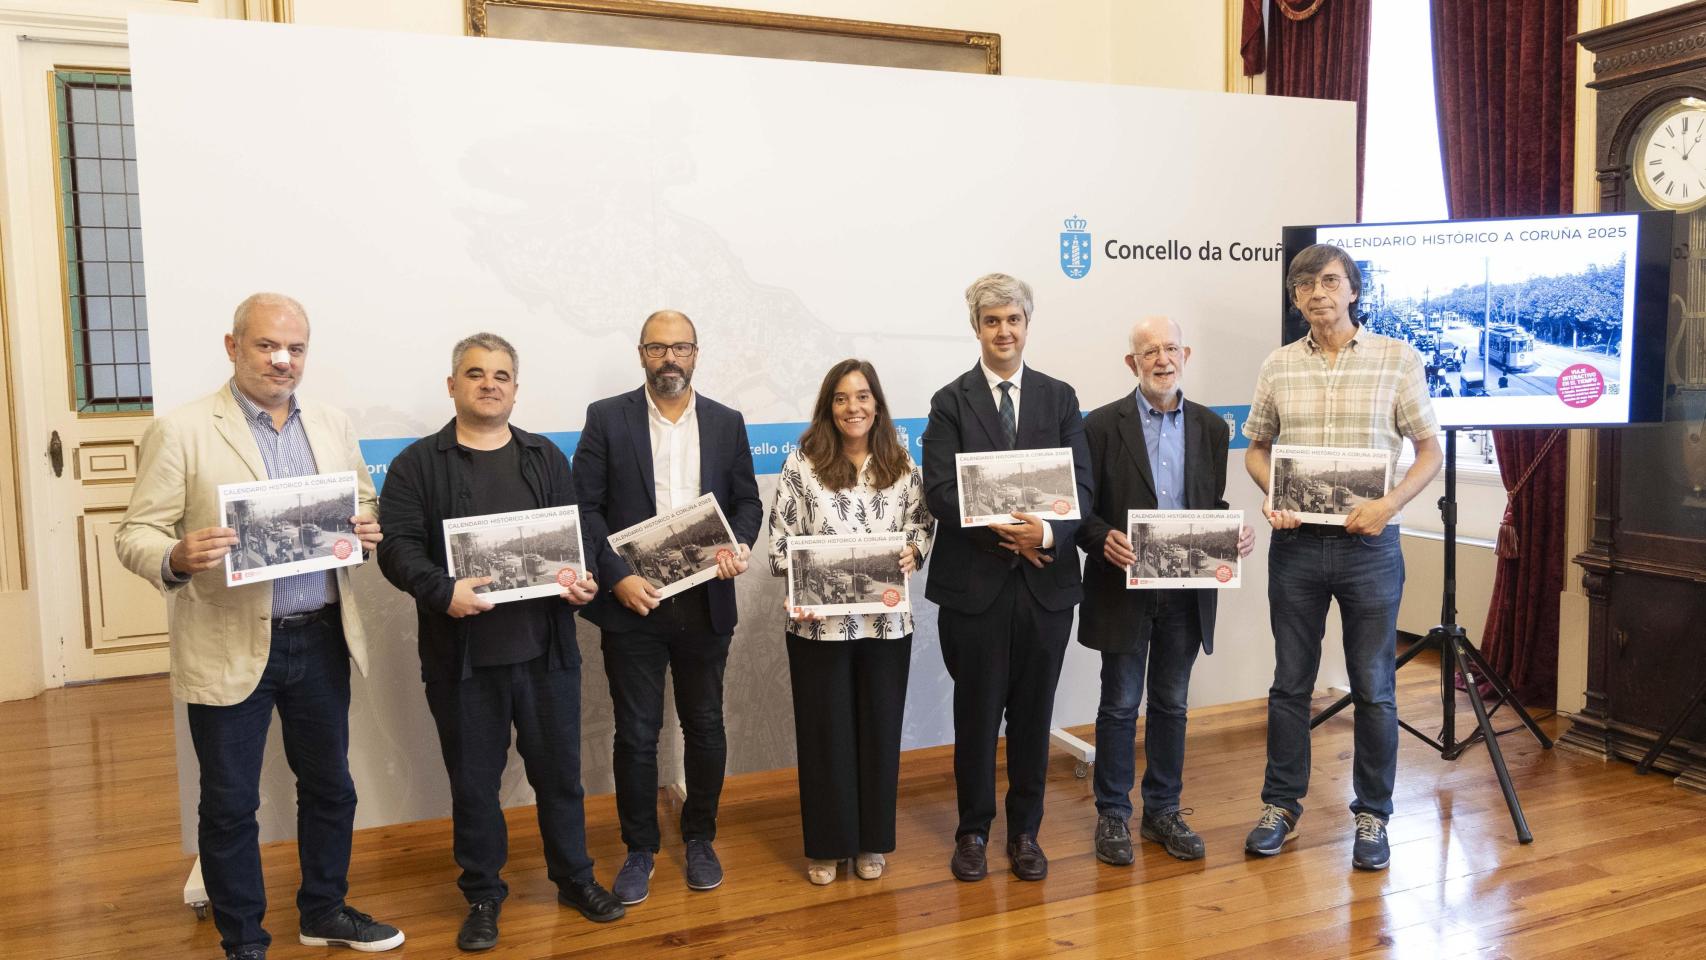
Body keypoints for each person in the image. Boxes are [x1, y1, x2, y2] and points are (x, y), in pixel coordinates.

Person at [114, 293, 401, 960]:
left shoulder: (329, 421)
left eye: (295, 348)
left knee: (332, 786)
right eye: (267, 346)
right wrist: (173, 557)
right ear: (233, 346)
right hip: (228, 641)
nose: (282, 360)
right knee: (230, 804)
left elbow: (362, 500)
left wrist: (365, 528)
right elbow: (136, 532)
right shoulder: (182, 429)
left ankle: (323, 910)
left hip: (322, 634)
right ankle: (243, 941)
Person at [375, 333, 623, 951]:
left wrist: (583, 583)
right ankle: (484, 894)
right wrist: (441, 590)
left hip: (547, 654)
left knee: (561, 776)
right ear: (452, 385)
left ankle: (573, 877)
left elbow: (573, 542)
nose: (490, 384)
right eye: (476, 373)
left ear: (516, 388)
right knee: (474, 783)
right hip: (463, 660)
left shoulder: (544, 457)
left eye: (502, 375)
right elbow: (397, 548)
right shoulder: (416, 465)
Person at [1242, 244, 1443, 871]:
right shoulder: (1278, 366)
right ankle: (1281, 806)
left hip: (1371, 548)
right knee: (1289, 686)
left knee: (1375, 688)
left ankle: (1374, 815)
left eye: (1330, 280)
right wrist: (1274, 494)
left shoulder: (1397, 359)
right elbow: (1256, 449)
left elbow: (1429, 452)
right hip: (1297, 545)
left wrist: (1388, 504)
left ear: (1353, 290)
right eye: (1305, 284)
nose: (1317, 292)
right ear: (1295, 297)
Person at [574, 310, 763, 904]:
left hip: (706, 601)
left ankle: (700, 836)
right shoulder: (607, 418)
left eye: (680, 347)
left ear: (697, 353)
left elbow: (748, 502)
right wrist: (616, 580)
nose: (670, 359)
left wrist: (739, 546)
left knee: (705, 727)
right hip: (635, 605)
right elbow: (586, 510)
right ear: (641, 354)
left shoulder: (727, 422)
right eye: (658, 349)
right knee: (636, 733)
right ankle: (640, 848)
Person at [921, 273, 1093, 882]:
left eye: (1012, 319)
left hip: (1045, 584)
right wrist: (1008, 531)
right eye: (991, 321)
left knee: (1032, 714)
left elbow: (1083, 486)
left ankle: (1025, 833)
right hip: (976, 588)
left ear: (1027, 324)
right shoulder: (950, 402)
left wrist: (1043, 534)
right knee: (975, 714)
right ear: (976, 328)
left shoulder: (1060, 398)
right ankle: (972, 831)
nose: (1003, 331)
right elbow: (941, 490)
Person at [1076, 316, 1254, 865]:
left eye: (1171, 349)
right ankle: (1112, 815)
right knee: (1120, 705)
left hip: (1186, 592)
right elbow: (1081, 512)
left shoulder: (1210, 428)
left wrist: (1232, 534)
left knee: (1173, 705)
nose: (1162, 359)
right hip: (1123, 588)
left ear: (1186, 355)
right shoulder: (1100, 426)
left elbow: (1210, 504)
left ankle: (1163, 812)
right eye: (1149, 351)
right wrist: (1102, 537)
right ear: (1132, 363)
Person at [765, 359, 935, 885]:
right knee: (825, 736)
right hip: (819, 629)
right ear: (828, 406)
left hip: (885, 627)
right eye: (841, 398)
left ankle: (870, 842)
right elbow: (777, 544)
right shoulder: (803, 463)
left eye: (862, 397)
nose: (852, 407)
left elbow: (923, 527)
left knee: (879, 732)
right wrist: (803, 576)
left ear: (877, 404)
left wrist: (912, 552)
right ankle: (827, 845)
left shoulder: (902, 463)